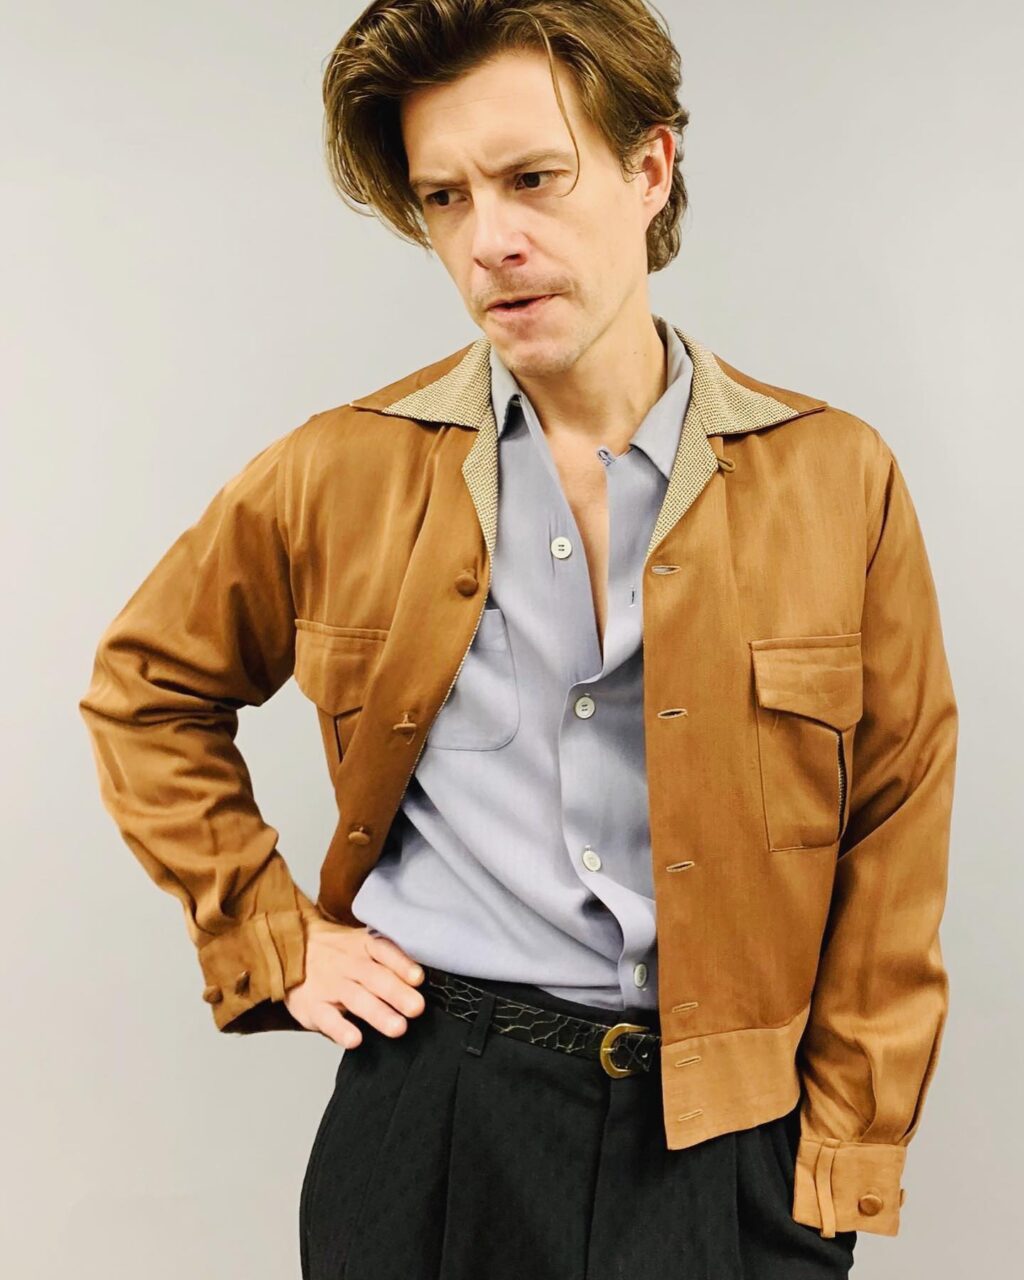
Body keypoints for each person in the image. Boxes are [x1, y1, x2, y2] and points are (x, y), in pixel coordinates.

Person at [78, 2, 959, 1277]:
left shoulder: (836, 477)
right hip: (436, 1119)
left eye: (532, 178)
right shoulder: (342, 470)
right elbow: (143, 687)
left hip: (729, 1147)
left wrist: (837, 1166)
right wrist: (271, 933)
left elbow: (895, 828)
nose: (489, 240)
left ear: (648, 169)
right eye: (445, 198)